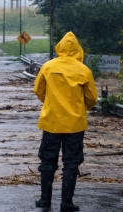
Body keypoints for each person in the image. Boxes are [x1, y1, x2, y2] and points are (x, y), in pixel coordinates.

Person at [34, 31, 98, 211]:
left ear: (60, 47)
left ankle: (45, 201)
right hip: (74, 125)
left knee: (47, 161)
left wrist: (50, 103)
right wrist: (80, 109)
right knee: (71, 163)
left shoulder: (47, 67)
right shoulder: (83, 70)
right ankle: (66, 203)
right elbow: (92, 98)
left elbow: (39, 90)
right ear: (78, 49)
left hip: (51, 122)